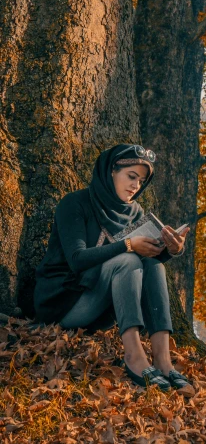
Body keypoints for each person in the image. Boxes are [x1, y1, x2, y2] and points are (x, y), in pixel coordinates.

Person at [34, 144, 192, 392]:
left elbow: (142, 267)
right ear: (111, 171)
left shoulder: (135, 212)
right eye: (131, 176)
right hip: (64, 303)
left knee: (152, 265)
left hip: (101, 310)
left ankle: (163, 362)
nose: (135, 186)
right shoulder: (74, 203)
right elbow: (77, 259)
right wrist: (129, 245)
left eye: (141, 181)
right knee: (129, 258)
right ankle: (134, 357)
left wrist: (170, 250)